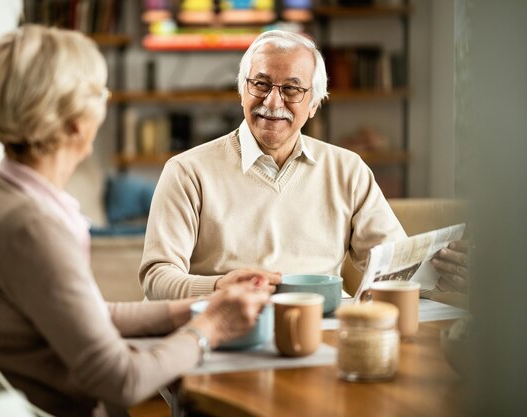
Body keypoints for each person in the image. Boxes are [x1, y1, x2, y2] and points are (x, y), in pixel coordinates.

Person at [0, 25, 271, 417]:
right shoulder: (31, 227)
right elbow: (122, 381)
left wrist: (201, 306)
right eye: (99, 93)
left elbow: (91, 316)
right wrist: (210, 329)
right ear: (75, 121)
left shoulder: (0, 199)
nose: (105, 103)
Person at [139, 30, 469, 300]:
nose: (272, 101)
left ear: (313, 104)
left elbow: (396, 266)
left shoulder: (348, 170)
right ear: (243, 90)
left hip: (326, 332)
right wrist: (218, 287)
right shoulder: (186, 172)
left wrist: (445, 274)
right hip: (226, 329)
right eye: (260, 83)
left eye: (292, 89)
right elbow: (157, 279)